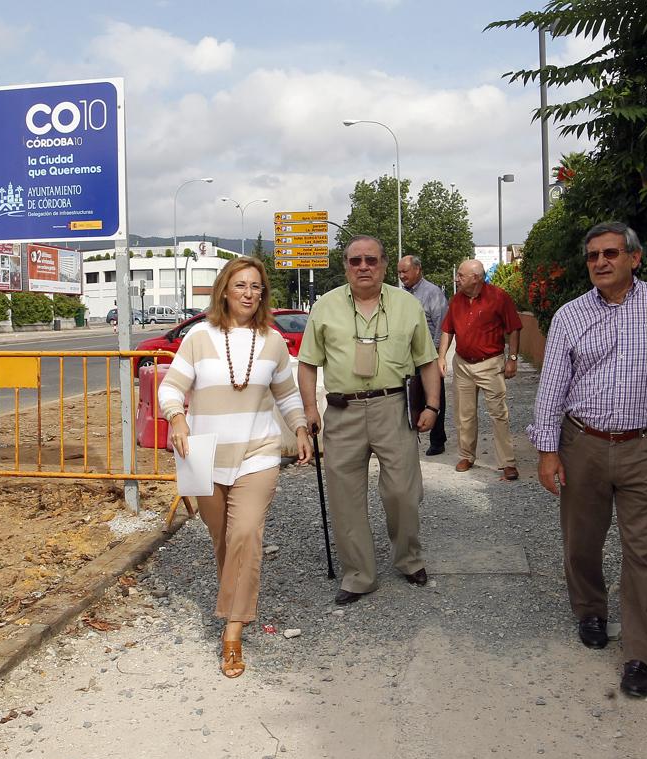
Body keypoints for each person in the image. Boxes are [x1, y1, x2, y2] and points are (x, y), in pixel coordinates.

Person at [528, 221, 647, 698]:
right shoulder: (570, 315)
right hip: (582, 443)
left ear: (635, 257)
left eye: (610, 253)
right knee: (582, 543)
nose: (600, 262)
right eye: (593, 256)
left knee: (645, 552)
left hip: (646, 446)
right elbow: (552, 388)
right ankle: (590, 610)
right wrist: (548, 450)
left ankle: (639, 654)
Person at [158, 255, 312, 678]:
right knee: (223, 538)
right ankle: (237, 600)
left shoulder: (274, 342)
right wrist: (176, 417)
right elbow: (172, 387)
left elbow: (287, 395)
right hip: (203, 454)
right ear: (224, 290)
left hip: (258, 452)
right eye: (241, 285)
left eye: (256, 287)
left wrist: (299, 428)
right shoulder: (199, 337)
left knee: (245, 532)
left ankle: (232, 633)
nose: (249, 293)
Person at [297, 236, 441, 604]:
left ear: (384, 265)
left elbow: (427, 361)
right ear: (345, 265)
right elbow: (307, 364)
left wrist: (433, 407)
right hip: (342, 412)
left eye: (371, 260)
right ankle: (359, 575)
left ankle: (409, 559)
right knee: (345, 498)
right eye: (355, 260)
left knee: (403, 492)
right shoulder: (325, 307)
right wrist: (310, 411)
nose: (364, 267)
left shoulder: (407, 305)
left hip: (393, 407)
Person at [438, 259, 523, 480]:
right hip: (463, 364)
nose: (457, 278)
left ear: (476, 278)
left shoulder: (499, 297)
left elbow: (514, 328)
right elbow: (448, 329)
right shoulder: (456, 300)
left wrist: (512, 358)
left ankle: (507, 462)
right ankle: (467, 455)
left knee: (498, 414)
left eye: (460, 275)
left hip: (490, 364)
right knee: (464, 415)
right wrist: (441, 357)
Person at [398, 254, 449, 456]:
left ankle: (437, 440)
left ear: (417, 270)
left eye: (405, 271)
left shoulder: (432, 293)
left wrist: (436, 355)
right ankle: (409, 436)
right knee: (409, 396)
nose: (402, 276)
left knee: (435, 398)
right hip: (405, 355)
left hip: (428, 355)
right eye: (399, 272)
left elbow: (442, 325)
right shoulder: (401, 294)